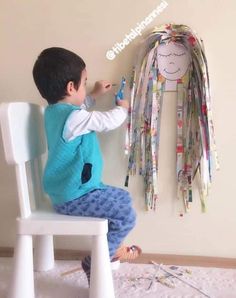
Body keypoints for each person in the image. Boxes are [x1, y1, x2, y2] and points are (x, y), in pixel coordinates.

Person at [32, 47, 139, 284]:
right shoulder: (74, 118)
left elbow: (79, 108)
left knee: (123, 198)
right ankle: (99, 260)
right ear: (71, 88)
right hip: (74, 196)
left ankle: (109, 249)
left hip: (72, 191)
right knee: (127, 216)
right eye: (84, 83)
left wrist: (94, 94)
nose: (86, 87)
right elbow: (107, 121)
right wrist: (123, 107)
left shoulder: (55, 112)